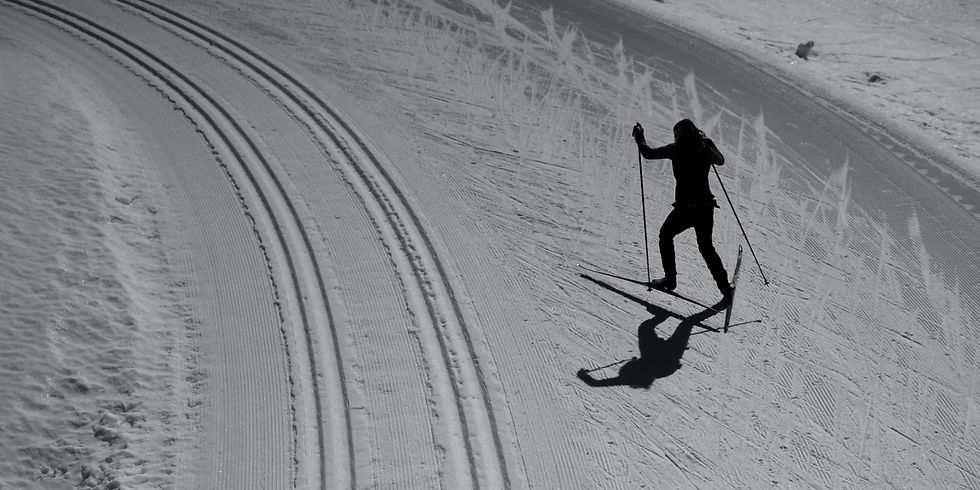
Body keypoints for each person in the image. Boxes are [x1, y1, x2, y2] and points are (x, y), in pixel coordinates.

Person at [632, 119, 732, 301]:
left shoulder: (676, 149)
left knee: (665, 235)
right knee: (706, 248)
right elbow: (721, 161)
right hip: (705, 208)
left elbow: (648, 154)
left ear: (682, 135)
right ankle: (725, 288)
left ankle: (670, 279)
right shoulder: (705, 145)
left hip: (686, 210)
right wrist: (708, 146)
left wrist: (640, 137)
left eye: (677, 134)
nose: (676, 137)